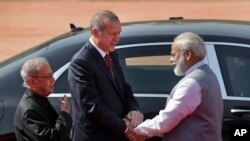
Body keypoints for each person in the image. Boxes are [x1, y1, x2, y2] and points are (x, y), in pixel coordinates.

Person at [130, 32, 223, 141]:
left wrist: (136, 130)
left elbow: (166, 121)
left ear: (187, 54)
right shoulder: (208, 74)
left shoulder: (191, 83)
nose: (171, 60)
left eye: (174, 55)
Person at [68, 10, 144, 141]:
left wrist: (134, 110)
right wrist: (124, 127)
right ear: (95, 33)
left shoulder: (111, 54)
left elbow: (124, 88)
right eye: (112, 34)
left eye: (119, 33)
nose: (117, 39)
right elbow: (92, 107)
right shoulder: (81, 62)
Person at [14, 57, 72, 141]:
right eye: (48, 76)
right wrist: (64, 114)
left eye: (52, 74)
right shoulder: (29, 111)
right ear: (32, 81)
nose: (53, 79)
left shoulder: (39, 98)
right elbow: (52, 139)